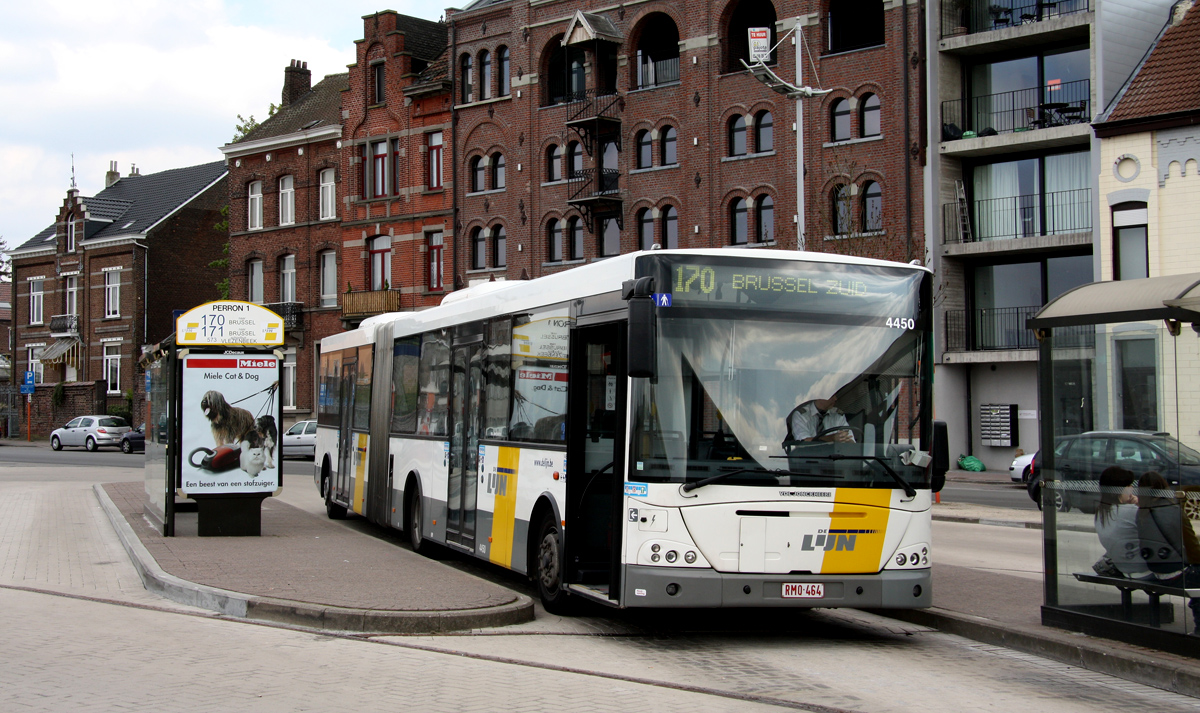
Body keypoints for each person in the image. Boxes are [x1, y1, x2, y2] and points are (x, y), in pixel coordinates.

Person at [1136, 471, 1200, 631]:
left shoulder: (1141, 513)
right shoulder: (1173, 510)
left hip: (1156, 571)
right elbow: (1193, 548)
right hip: (1177, 573)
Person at [1093, 466, 1152, 579]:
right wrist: (1140, 505)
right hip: (1144, 571)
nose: (1131, 489)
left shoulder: (1100, 513)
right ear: (1120, 489)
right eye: (1129, 486)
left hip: (1124, 570)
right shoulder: (1131, 511)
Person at [785, 396, 855, 444]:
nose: (835, 398)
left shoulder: (837, 415)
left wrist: (845, 439)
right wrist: (832, 438)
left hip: (836, 460)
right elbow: (803, 442)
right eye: (832, 396)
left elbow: (852, 443)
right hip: (810, 462)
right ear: (820, 396)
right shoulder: (800, 415)